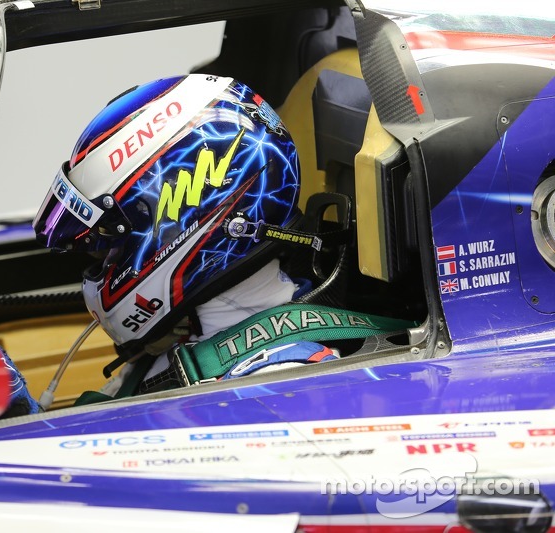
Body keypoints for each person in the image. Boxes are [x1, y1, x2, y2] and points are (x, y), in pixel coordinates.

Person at [33, 74, 410, 401]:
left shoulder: (282, 383)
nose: (100, 263)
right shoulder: (177, 344)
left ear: (177, 217)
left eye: (107, 245)